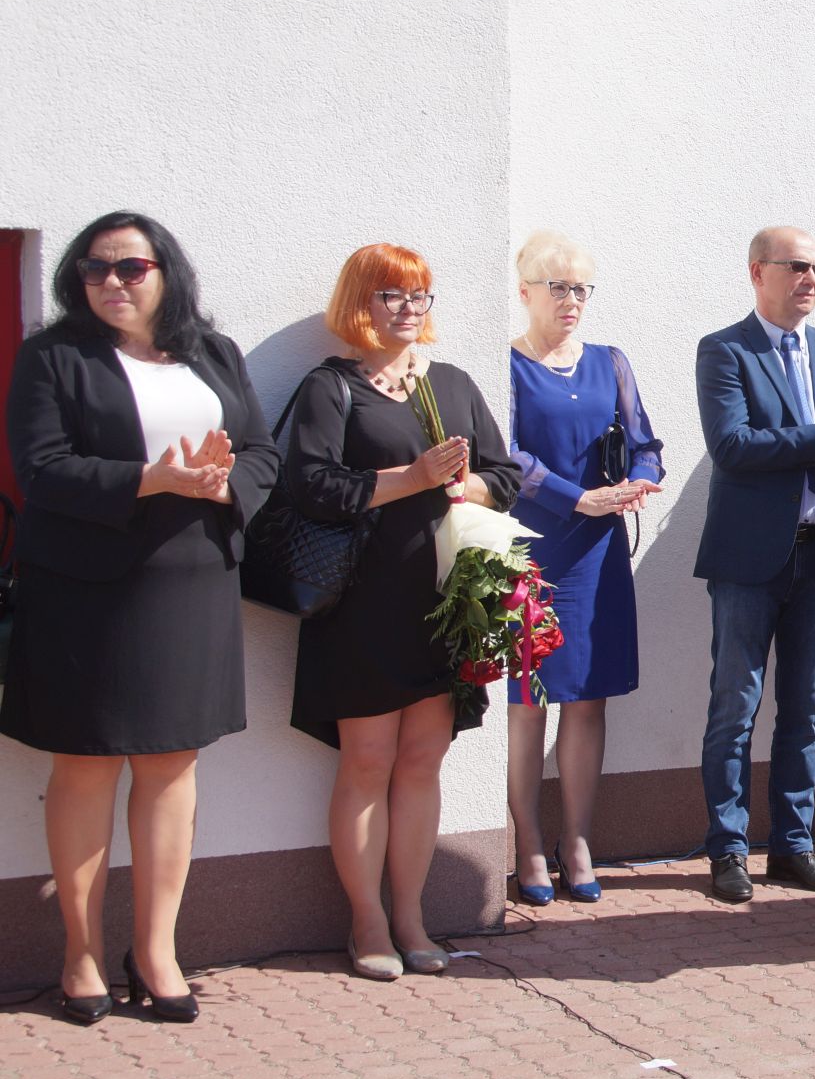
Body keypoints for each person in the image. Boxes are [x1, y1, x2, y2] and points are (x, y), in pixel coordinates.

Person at [3, 211, 277, 1024]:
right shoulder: (54, 356)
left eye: (130, 267)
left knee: (170, 766)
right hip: (85, 590)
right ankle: (81, 955)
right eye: (94, 269)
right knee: (85, 766)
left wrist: (222, 485)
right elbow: (41, 469)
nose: (111, 282)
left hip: (190, 585)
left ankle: (156, 951)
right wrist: (153, 479)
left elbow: (261, 453)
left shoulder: (213, 353)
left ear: (166, 273)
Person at [287, 243, 519, 980]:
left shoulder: (452, 383)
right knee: (367, 762)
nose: (408, 309)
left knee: (422, 762)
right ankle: (367, 922)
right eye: (391, 295)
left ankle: (413, 918)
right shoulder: (333, 387)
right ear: (359, 302)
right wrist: (410, 478)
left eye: (419, 295)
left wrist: (463, 487)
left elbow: (505, 475)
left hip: (442, 602)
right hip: (362, 603)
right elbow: (310, 486)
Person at [694, 226, 815, 902]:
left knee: (806, 710)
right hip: (749, 558)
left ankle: (793, 846)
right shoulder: (724, 349)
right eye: (797, 266)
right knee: (735, 707)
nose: (811, 279)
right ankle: (728, 849)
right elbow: (732, 445)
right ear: (758, 271)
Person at [506, 231, 663, 906]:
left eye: (580, 289)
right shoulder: (508, 365)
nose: (571, 300)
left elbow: (647, 442)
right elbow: (507, 456)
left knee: (587, 698)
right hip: (532, 548)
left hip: (599, 549)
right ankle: (526, 841)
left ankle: (576, 840)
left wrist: (639, 481)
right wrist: (579, 498)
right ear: (525, 293)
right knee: (529, 699)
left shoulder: (611, 362)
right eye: (558, 287)